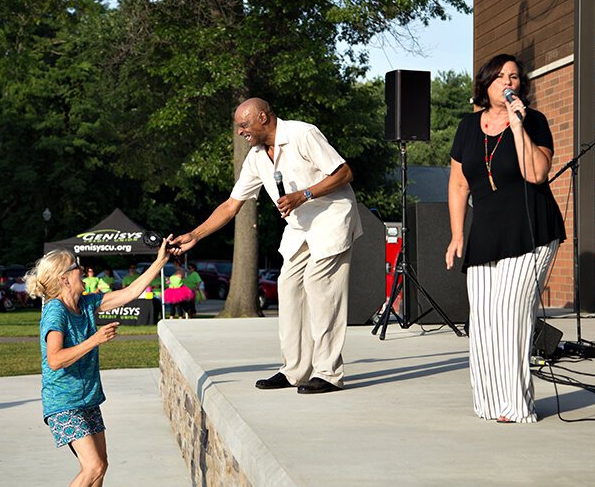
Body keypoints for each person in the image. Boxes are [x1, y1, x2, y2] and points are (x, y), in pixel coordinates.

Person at [169, 97, 362, 394]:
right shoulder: (257, 157)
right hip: (300, 228)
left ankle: (328, 373)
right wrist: (196, 234)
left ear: (262, 117)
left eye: (243, 125)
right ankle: (295, 371)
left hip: (332, 219)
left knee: (319, 287)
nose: (240, 132)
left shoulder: (302, 134)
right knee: (287, 286)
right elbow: (232, 205)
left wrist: (304, 194)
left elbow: (344, 173)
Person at [445, 54, 566, 423]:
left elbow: (537, 175)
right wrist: (456, 234)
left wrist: (518, 126)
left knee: (510, 316)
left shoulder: (535, 122)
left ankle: (515, 405)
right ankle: (488, 402)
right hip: (486, 233)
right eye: (499, 76)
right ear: (485, 84)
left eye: (514, 77)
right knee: (482, 320)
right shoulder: (467, 127)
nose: (507, 82)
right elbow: (459, 183)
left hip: (530, 231)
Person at [24, 238, 169, 486]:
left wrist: (159, 262)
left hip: (88, 399)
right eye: (75, 266)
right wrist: (95, 339)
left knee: (100, 468)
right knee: (94, 466)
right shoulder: (55, 313)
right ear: (64, 278)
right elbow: (55, 359)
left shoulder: (86, 304)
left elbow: (129, 293)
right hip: (63, 402)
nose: (81, 270)